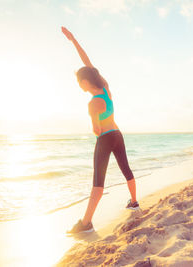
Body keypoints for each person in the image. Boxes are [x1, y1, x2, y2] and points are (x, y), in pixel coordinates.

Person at [61, 26, 139, 234]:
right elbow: (89, 65)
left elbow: (96, 130)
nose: (80, 86)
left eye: (80, 82)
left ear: (85, 82)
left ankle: (86, 223)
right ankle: (134, 201)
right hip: (117, 135)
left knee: (98, 181)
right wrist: (74, 40)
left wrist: (95, 126)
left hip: (105, 138)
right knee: (126, 169)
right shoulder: (105, 89)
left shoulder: (93, 103)